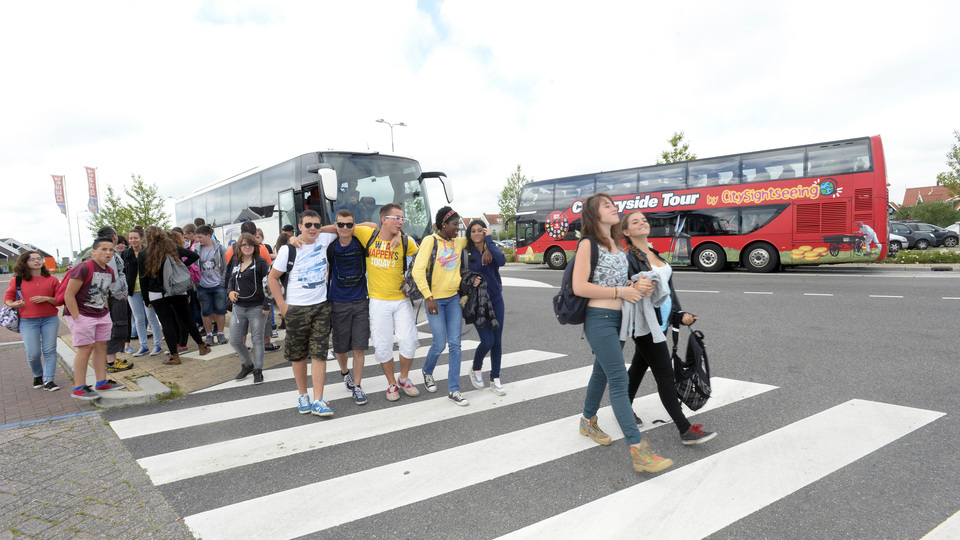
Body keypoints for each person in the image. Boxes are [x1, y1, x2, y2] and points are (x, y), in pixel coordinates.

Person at [572, 192, 673, 474]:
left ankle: (587, 421)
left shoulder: (617, 244)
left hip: (620, 320)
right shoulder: (587, 244)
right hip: (599, 320)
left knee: (601, 373)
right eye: (607, 206)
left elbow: (619, 281)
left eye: (613, 204)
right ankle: (639, 450)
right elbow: (580, 286)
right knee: (619, 380)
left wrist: (636, 285)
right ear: (594, 214)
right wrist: (621, 292)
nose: (614, 208)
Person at [620, 210, 717, 445]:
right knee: (665, 375)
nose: (642, 223)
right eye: (635, 222)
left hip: (662, 321)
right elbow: (625, 288)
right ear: (626, 232)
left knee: (639, 365)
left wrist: (679, 315)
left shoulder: (655, 254)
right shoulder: (628, 259)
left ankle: (623, 407)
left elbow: (669, 291)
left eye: (644, 220)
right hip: (645, 325)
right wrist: (633, 284)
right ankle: (685, 430)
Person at [268, 210, 338, 416]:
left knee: (319, 353)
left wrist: (318, 231)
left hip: (321, 307)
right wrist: (282, 306)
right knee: (298, 355)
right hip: (296, 309)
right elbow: (272, 278)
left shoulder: (324, 239)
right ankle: (303, 395)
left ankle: (318, 400)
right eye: (308, 225)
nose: (313, 228)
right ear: (299, 227)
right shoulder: (288, 250)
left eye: (316, 225)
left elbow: (339, 227)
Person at [352, 203, 422, 402]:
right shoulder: (368, 235)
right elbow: (345, 227)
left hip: (401, 300)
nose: (401, 222)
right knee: (383, 345)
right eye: (397, 218)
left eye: (402, 219)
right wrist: (298, 236)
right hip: (378, 301)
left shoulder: (406, 241)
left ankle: (404, 378)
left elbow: (422, 258)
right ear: (384, 219)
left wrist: (399, 235)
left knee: (409, 341)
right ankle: (391, 383)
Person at [415, 207, 471, 406]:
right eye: (455, 224)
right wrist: (428, 297)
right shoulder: (430, 241)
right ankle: (427, 370)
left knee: (455, 344)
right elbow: (417, 271)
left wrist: (485, 234)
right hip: (435, 300)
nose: (458, 228)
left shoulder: (458, 242)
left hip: (453, 299)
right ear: (444, 225)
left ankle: (454, 390)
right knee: (439, 344)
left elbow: (477, 237)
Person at [63, 237, 126, 400]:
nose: (108, 253)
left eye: (111, 250)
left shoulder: (109, 270)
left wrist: (105, 311)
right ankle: (79, 387)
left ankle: (101, 382)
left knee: (101, 346)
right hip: (82, 314)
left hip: (101, 314)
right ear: (94, 251)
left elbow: (103, 292)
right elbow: (68, 295)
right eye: (104, 249)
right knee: (86, 347)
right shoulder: (84, 267)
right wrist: (77, 318)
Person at [139, 226, 211, 364]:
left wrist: (146, 298)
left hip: (157, 292)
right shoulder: (171, 247)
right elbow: (194, 256)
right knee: (187, 319)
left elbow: (143, 278)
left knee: (167, 324)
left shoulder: (144, 253)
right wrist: (181, 265)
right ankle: (201, 346)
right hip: (177, 288)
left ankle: (174, 356)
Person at [326, 209, 371, 405]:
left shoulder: (361, 241)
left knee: (359, 347)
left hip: (360, 300)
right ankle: (345, 373)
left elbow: (374, 226)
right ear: (335, 225)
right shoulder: (331, 245)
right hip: (337, 301)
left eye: (349, 224)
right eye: (341, 224)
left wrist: (353, 228)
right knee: (340, 347)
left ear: (354, 225)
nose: (345, 228)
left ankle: (358, 386)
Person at [4, 251, 60, 390]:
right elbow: (8, 299)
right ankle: (37, 375)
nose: (37, 261)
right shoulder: (17, 280)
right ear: (25, 262)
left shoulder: (52, 279)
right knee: (33, 353)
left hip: (50, 319)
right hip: (27, 321)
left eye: (39, 258)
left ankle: (49, 380)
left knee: (49, 350)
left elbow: (59, 300)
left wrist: (46, 298)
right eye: (32, 259)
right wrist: (13, 304)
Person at [463, 220, 507, 396]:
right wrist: (470, 280)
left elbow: (502, 261)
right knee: (488, 341)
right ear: (469, 234)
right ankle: (476, 368)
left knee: (497, 342)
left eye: (480, 230)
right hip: (477, 303)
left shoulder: (492, 249)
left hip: (496, 300)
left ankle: (495, 378)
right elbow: (460, 275)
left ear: (485, 232)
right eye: (473, 231)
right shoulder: (466, 253)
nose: (476, 234)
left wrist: (490, 243)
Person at [227, 233, 271, 385]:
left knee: (257, 340)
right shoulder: (236, 261)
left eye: (250, 244)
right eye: (244, 245)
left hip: (257, 307)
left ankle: (258, 370)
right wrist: (230, 291)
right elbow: (231, 279)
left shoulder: (261, 263)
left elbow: (269, 284)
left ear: (255, 246)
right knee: (234, 340)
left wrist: (267, 304)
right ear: (239, 246)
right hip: (238, 307)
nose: (247, 247)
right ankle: (247, 364)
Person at [96, 226, 132, 374]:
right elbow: (112, 276)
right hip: (112, 296)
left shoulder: (99, 250)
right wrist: (119, 294)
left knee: (112, 327)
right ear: (114, 237)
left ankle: (110, 359)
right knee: (116, 327)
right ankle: (111, 362)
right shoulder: (108, 252)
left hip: (107, 296)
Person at [123, 228, 163, 357]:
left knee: (151, 317)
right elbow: (123, 272)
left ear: (142, 239)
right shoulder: (126, 253)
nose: (133, 240)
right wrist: (125, 288)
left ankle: (157, 345)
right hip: (133, 291)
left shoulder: (148, 252)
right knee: (139, 319)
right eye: (130, 238)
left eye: (135, 238)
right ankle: (143, 346)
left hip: (148, 290)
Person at [193, 225, 229, 345]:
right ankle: (209, 335)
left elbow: (226, 266)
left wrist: (223, 282)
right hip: (202, 286)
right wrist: (197, 282)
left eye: (200, 237)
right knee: (205, 311)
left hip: (218, 285)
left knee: (220, 310)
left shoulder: (220, 249)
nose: (198, 240)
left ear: (208, 236)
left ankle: (220, 334)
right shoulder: (196, 250)